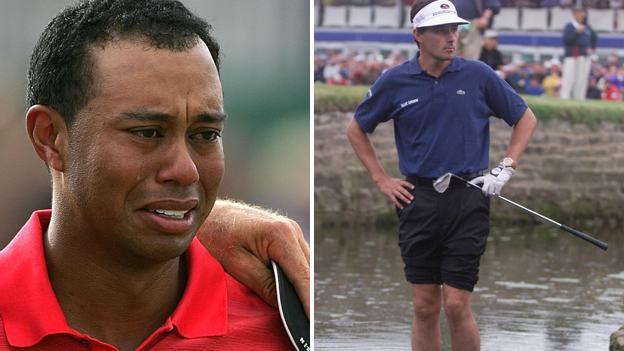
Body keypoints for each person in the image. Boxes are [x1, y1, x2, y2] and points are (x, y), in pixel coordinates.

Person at [0, 1, 308, 350]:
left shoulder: (289, 328)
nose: (185, 169)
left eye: (206, 135)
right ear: (50, 137)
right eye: (147, 133)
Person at [346, 1, 537, 350]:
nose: (452, 37)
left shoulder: (477, 74)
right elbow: (357, 129)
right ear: (417, 35)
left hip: (469, 198)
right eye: (441, 30)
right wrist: (382, 179)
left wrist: (506, 167)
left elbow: (525, 117)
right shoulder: (395, 81)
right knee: (424, 306)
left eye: (454, 29)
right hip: (417, 200)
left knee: (456, 305)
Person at [560, 6, 598, 100]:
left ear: (584, 14)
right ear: (573, 15)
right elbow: (567, 40)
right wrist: (576, 32)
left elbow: (595, 38)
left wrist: (591, 48)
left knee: (582, 79)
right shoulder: (569, 26)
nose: (579, 15)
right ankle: (565, 97)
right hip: (572, 55)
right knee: (568, 77)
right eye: (577, 13)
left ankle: (579, 98)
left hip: (584, 56)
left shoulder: (587, 27)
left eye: (581, 13)